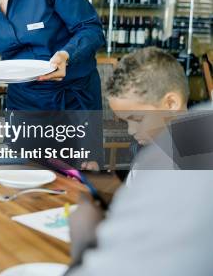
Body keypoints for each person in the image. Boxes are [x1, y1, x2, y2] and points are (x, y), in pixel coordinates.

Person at [67, 47, 213, 275]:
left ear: (171, 103)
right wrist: (106, 183)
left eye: (137, 119)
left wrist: (85, 242)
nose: (132, 130)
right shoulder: (155, 150)